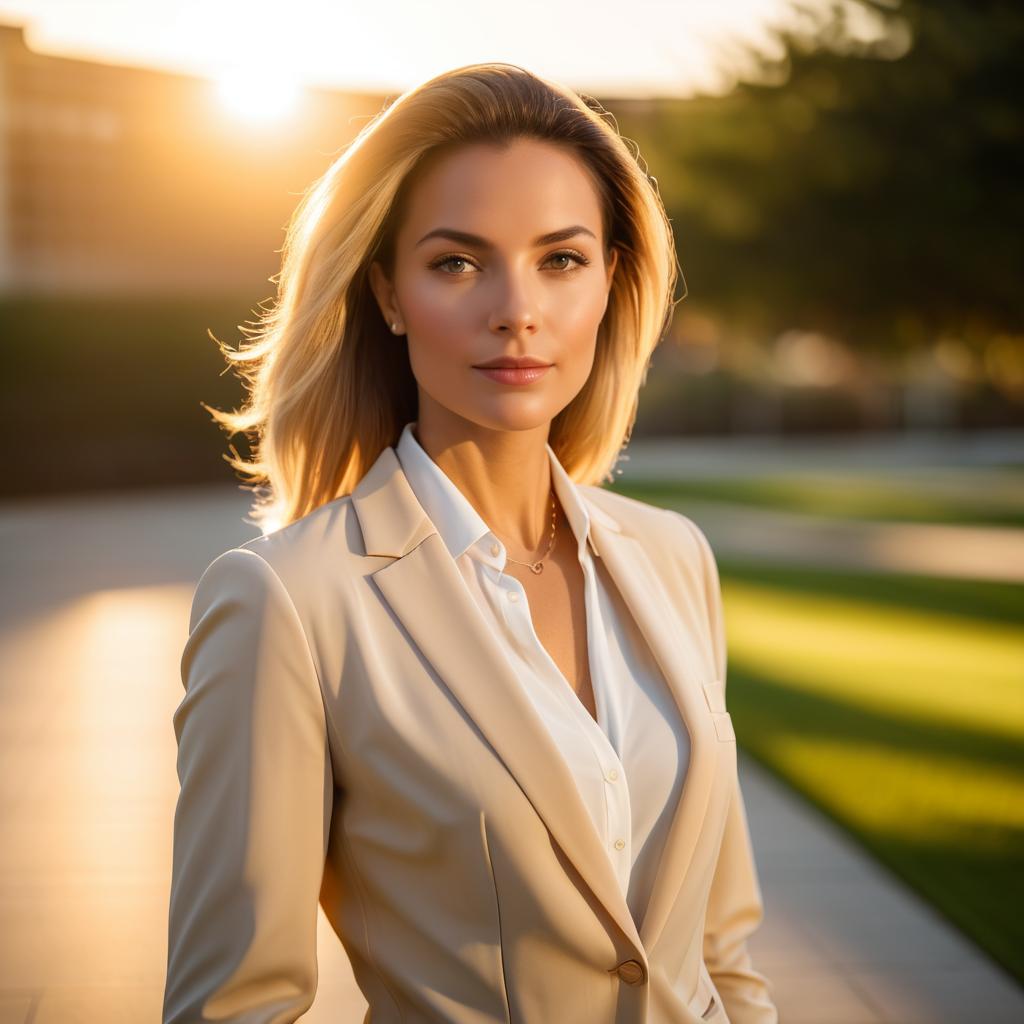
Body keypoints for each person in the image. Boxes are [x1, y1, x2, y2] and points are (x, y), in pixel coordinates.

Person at [162, 62, 778, 1024]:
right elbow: (232, 1006)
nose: (516, 310)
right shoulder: (288, 602)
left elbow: (721, 953)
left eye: (561, 260)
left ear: (611, 283)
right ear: (388, 293)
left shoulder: (672, 558)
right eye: (457, 261)